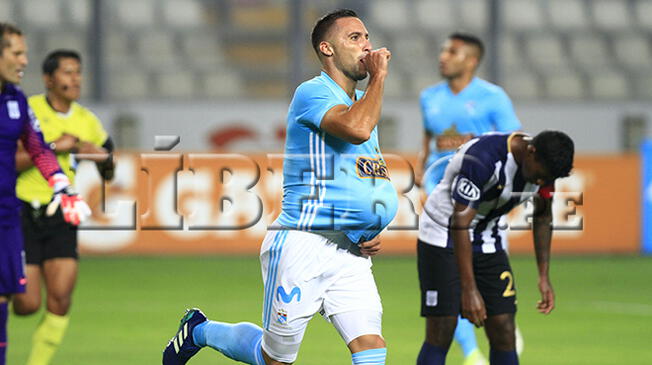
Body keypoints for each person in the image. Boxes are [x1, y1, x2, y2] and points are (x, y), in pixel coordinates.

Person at [162, 8, 397, 365]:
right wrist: (379, 77)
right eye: (354, 38)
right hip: (302, 245)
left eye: (366, 37)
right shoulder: (314, 93)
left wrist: (366, 228)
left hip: (349, 252)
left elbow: (363, 175)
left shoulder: (360, 105)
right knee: (274, 358)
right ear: (327, 49)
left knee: (371, 350)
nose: (366, 46)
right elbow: (357, 129)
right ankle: (200, 330)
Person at [416, 131, 574, 365]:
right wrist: (469, 291)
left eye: (547, 179)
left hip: (488, 237)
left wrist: (543, 275)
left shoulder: (545, 164)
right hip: (443, 235)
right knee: (442, 329)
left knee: (504, 328)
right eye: (541, 176)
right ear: (531, 152)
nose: (541, 182)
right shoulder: (483, 158)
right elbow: (459, 223)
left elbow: (542, 217)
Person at [415, 33, 522, 365]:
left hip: (481, 210)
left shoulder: (493, 98)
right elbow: (430, 141)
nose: (443, 56)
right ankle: (471, 352)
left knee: (476, 284)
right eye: (444, 49)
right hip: (440, 203)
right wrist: (422, 178)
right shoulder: (429, 97)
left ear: (471, 60)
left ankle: (488, 339)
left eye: (452, 51)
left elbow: (515, 143)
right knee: (448, 293)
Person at [12, 49, 114, 365]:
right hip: (23, 212)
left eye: (78, 72)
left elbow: (109, 169)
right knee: (27, 304)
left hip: (62, 213)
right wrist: (56, 145)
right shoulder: (29, 110)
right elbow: (9, 162)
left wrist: (103, 159)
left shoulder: (87, 121)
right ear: (48, 79)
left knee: (60, 299)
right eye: (67, 72)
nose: (75, 79)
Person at [0, 23, 90, 365]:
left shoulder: (16, 101)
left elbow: (38, 148)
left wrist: (61, 185)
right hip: (23, 211)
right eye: (17, 53)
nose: (25, 61)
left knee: (13, 301)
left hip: (9, 215)